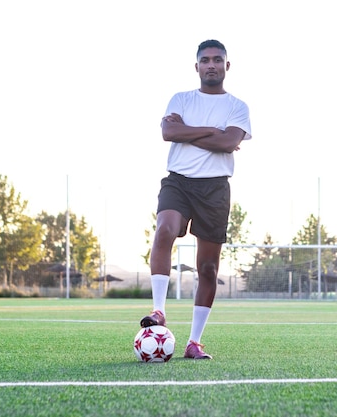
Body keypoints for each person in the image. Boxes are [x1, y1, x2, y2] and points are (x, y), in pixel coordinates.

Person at [140, 39, 252, 360]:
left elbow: (229, 142)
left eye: (218, 60)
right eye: (206, 60)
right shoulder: (181, 99)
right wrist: (211, 133)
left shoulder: (237, 107)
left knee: (207, 268)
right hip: (179, 181)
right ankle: (159, 311)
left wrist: (190, 131)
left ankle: (193, 342)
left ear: (227, 66)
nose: (212, 65)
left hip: (215, 189)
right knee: (164, 231)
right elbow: (168, 133)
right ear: (197, 66)